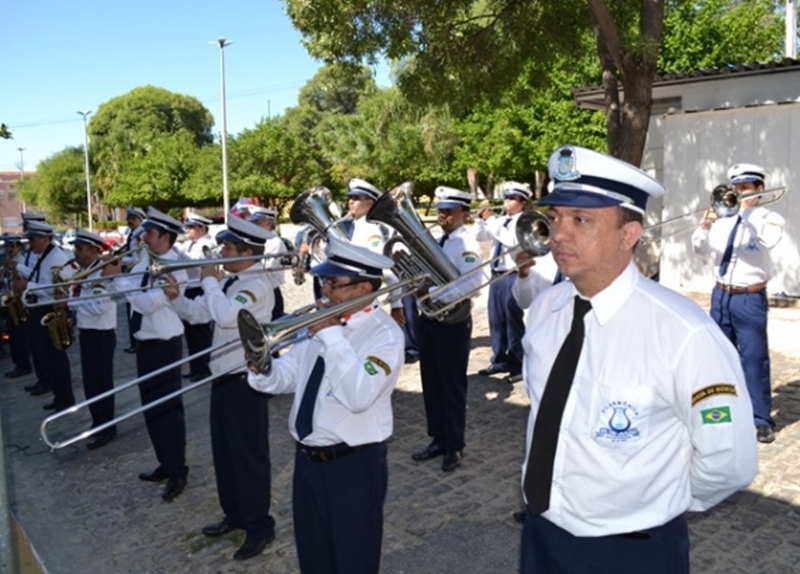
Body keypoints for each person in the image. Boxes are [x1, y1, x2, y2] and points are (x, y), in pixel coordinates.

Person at [518, 145, 758, 573]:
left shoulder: (684, 332)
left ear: (628, 235)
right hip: (542, 536)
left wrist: (657, 505)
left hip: (631, 552)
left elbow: (729, 460)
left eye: (581, 220)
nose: (558, 234)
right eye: (555, 217)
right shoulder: (544, 312)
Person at [246, 236, 404, 574]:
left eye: (335, 284)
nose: (325, 291)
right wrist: (264, 370)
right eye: (324, 281)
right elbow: (292, 374)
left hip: (353, 465)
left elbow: (359, 395)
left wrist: (331, 336)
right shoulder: (323, 322)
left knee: (353, 561)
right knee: (314, 559)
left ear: (363, 288)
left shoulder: (384, 335)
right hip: (308, 460)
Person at [166, 216, 276, 561]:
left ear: (246, 252)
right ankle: (235, 515)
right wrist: (175, 298)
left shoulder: (256, 285)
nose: (220, 252)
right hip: (223, 380)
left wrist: (210, 281)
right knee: (225, 455)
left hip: (246, 382)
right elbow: (201, 314)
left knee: (248, 457)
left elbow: (228, 316)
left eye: (227, 248)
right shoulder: (231, 283)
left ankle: (259, 525)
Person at [691, 163, 785, 444]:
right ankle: (723, 415)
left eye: (746, 188)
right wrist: (705, 226)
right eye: (736, 188)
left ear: (759, 189)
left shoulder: (769, 217)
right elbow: (700, 250)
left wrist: (747, 214)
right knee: (719, 358)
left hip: (750, 297)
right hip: (721, 294)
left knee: (754, 358)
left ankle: (761, 420)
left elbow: (770, 239)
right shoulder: (722, 218)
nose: (740, 193)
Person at [103, 207, 189, 501]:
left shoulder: (175, 267)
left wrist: (117, 279)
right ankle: (165, 462)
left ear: (165, 236)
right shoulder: (145, 259)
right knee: (151, 409)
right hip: (146, 344)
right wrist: (115, 277)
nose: (144, 237)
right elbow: (131, 291)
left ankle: (178, 470)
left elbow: (148, 304)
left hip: (165, 345)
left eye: (149, 233)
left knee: (168, 410)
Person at [410, 186, 484, 472]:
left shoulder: (467, 244)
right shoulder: (441, 239)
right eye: (441, 210)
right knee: (431, 381)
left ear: (464, 213)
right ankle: (438, 438)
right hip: (430, 319)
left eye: (450, 211)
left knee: (451, 385)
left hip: (451, 322)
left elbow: (472, 284)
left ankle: (454, 445)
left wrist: (434, 293)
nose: (444, 215)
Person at [473, 181, 533, 383]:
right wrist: (481, 218)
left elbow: (511, 241)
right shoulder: (499, 221)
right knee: (495, 319)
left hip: (512, 273)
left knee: (512, 320)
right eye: (506, 198)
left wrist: (491, 220)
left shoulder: (524, 222)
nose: (507, 201)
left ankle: (517, 365)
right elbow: (480, 235)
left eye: (512, 198)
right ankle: (499, 360)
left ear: (523, 203)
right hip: (496, 274)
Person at [14, 219, 75, 411]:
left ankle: (65, 398)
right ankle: (59, 395)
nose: (30, 245)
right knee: (47, 357)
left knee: (57, 359)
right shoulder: (43, 255)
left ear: (44, 238)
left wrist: (27, 286)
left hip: (52, 311)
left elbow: (57, 290)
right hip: (41, 309)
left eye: (33, 241)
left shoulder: (56, 258)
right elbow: (40, 278)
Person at [66, 229, 118, 449]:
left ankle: (107, 427)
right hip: (89, 332)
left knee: (101, 383)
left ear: (92, 250)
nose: (75, 252)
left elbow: (98, 307)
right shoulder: (86, 272)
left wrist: (71, 304)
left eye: (79, 248)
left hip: (101, 334)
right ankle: (98, 422)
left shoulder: (100, 274)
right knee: (91, 384)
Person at [178, 213, 216, 382]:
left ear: (202, 228)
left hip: (200, 289)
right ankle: (195, 367)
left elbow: (194, 262)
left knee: (200, 334)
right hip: (189, 289)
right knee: (191, 334)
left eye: (192, 227)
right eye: (188, 227)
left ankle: (204, 368)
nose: (188, 230)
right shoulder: (188, 244)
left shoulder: (207, 244)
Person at [247, 206, 288, 320]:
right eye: (252, 222)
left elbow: (264, 267)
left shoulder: (275, 242)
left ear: (268, 223)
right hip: (256, 287)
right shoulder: (257, 240)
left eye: (257, 222)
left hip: (270, 289)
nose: (253, 225)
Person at [2, 233, 33, 379]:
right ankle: (18, 363)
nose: (9, 249)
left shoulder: (23, 261)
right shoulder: (8, 261)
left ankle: (24, 365)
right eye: (7, 246)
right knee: (13, 337)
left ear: (19, 247)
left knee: (20, 337)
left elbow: (29, 277)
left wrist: (16, 267)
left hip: (21, 302)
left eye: (12, 246)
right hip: (11, 301)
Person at [121, 206, 146, 354]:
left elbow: (139, 259)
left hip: (137, 276)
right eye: (128, 219)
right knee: (130, 310)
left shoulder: (141, 235)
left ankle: (137, 341)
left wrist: (121, 260)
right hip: (131, 275)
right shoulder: (133, 234)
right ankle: (134, 341)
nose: (129, 221)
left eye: (133, 219)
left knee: (136, 309)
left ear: (140, 219)